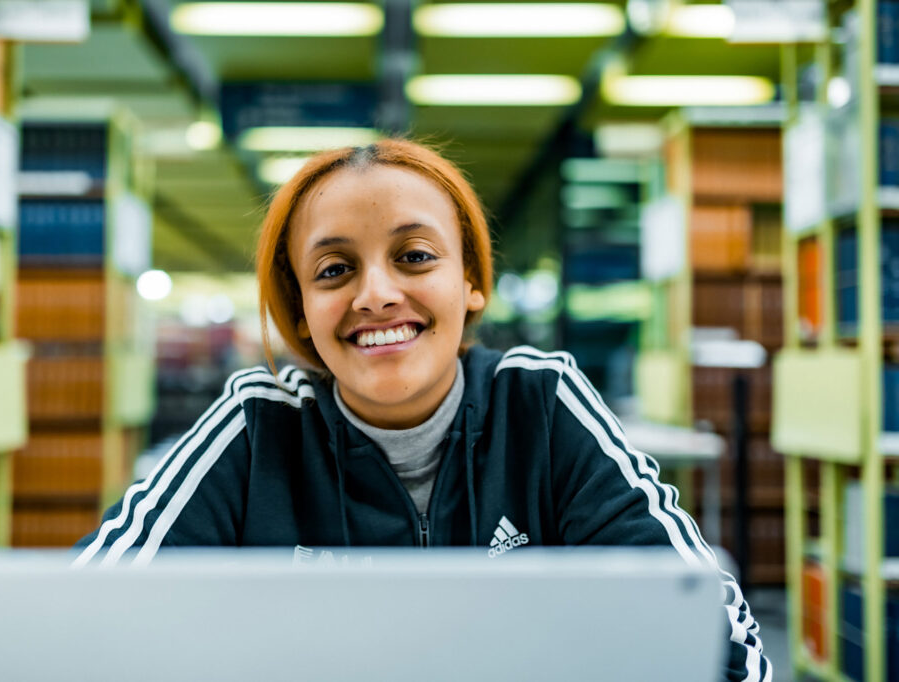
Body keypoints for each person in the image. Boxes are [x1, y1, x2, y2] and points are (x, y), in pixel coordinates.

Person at [74, 139, 770, 681]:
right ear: (300, 312)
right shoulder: (257, 430)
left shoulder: (543, 405)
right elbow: (81, 620)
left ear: (469, 281)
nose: (375, 294)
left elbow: (720, 639)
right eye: (333, 270)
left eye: (413, 256)